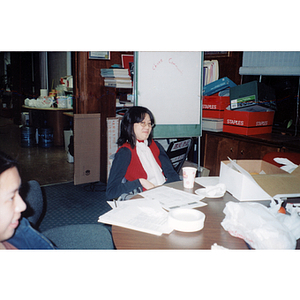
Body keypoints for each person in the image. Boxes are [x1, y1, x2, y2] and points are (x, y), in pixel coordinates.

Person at [106, 106, 180, 200]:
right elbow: (111, 192)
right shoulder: (125, 152)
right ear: (129, 125)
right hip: (144, 198)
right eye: (142, 123)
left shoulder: (155, 145)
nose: (147, 127)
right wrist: (140, 182)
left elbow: (172, 174)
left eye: (149, 124)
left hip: (164, 192)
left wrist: (166, 189)